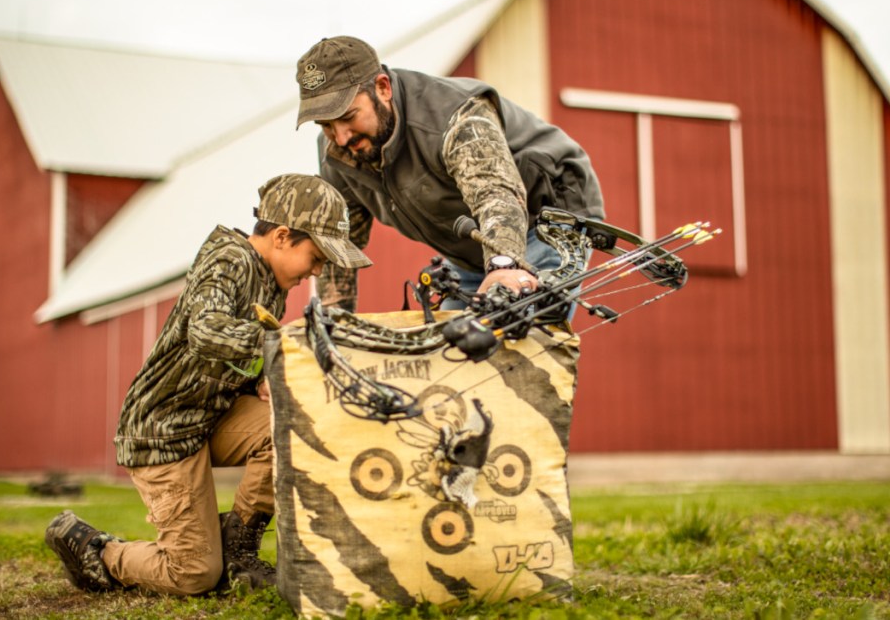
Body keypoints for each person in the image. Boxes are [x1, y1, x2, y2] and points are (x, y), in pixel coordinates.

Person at [44, 173, 371, 595]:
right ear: (284, 236)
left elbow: (235, 359)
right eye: (317, 255)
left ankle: (239, 550)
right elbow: (206, 331)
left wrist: (259, 380)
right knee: (194, 573)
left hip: (210, 417)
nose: (319, 270)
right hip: (164, 431)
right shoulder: (227, 259)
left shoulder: (273, 283)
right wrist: (282, 345)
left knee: (292, 423)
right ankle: (98, 551)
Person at [295, 35, 605, 312]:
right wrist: (334, 324)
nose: (341, 137)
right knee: (451, 353)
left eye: (348, 117)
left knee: (514, 338)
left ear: (382, 88)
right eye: (326, 125)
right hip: (470, 250)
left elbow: (495, 194)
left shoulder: (455, 117)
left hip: (546, 219)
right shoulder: (338, 153)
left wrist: (505, 267)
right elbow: (340, 241)